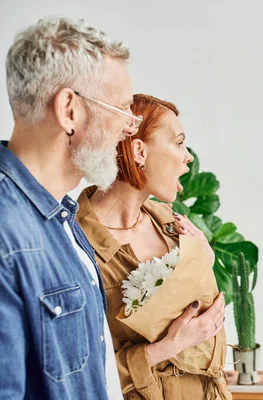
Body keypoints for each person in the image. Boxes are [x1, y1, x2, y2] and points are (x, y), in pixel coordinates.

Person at [0, 17, 138, 399]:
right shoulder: (6, 235)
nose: (130, 127)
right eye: (123, 108)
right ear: (70, 110)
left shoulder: (62, 217)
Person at [76, 94, 228, 399]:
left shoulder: (171, 222)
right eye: (178, 143)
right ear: (139, 150)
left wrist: (204, 260)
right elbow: (77, 371)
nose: (188, 158)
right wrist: (167, 347)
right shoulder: (75, 244)